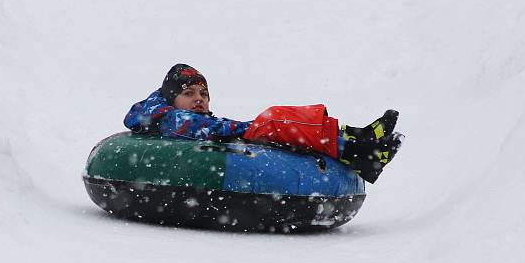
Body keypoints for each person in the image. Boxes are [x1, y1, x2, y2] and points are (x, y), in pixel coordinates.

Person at [124, 64, 403, 183]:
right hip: (220, 147)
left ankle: (356, 139)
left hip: (226, 140)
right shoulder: (172, 118)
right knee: (273, 121)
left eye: (204, 94)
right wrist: (248, 128)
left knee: (276, 122)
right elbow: (212, 128)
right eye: (189, 94)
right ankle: (357, 149)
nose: (199, 99)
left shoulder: (166, 115)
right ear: (172, 99)